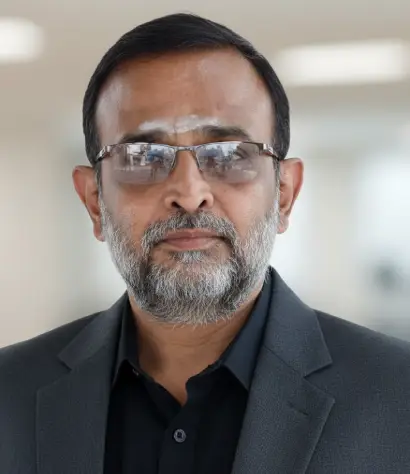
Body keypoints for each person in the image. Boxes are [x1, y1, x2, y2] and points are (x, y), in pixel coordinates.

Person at [1, 13, 409, 474]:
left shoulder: (399, 397)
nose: (189, 192)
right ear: (94, 202)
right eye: (142, 156)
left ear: (284, 194)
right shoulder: (9, 394)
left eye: (230, 154)